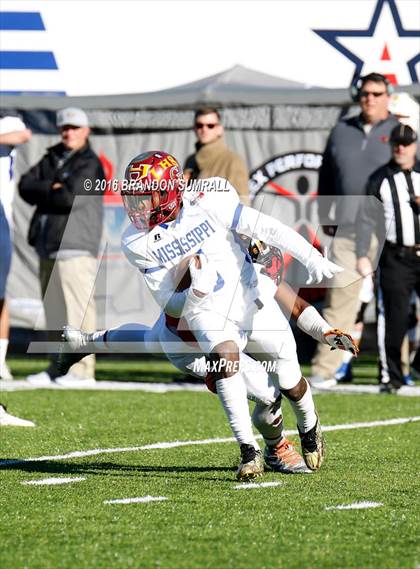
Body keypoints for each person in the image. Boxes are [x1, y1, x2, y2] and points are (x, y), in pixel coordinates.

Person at [99, 150, 343, 479]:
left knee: (289, 383)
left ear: (170, 192)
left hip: (246, 304)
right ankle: (250, 450)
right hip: (198, 315)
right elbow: (169, 303)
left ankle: (309, 425)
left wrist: (310, 258)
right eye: (135, 197)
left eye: (146, 196)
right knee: (228, 361)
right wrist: (196, 290)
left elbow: (265, 228)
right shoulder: (136, 240)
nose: (138, 206)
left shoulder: (213, 202)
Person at [57, 241, 357, 477]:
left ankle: (87, 341)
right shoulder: (212, 272)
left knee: (150, 339)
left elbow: (295, 305)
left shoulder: (252, 274)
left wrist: (325, 331)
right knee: (268, 395)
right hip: (189, 346)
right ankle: (273, 449)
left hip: (185, 335)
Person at [310, 72, 399, 387]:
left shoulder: (400, 130)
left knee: (393, 301)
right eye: (365, 94)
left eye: (377, 93)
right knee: (339, 300)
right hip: (348, 229)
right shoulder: (341, 131)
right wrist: (324, 211)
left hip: (389, 230)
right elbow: (326, 175)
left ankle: (396, 371)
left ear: (388, 97)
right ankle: (325, 370)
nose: (370, 99)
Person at [18, 107, 105, 386]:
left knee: (77, 312)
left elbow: (69, 197)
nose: (69, 132)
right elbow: (24, 185)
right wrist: (52, 186)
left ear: (86, 130)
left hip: (75, 244)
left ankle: (81, 371)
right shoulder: (52, 155)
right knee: (54, 312)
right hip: (48, 244)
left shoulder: (90, 162)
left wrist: (53, 189)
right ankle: (57, 368)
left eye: (75, 127)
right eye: (65, 128)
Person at [356, 124, 420, 392]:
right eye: (397, 143)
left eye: (406, 143)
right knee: (394, 316)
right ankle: (391, 376)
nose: (401, 147)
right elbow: (364, 221)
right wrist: (362, 255)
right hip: (396, 255)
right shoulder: (379, 178)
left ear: (414, 145)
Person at [0, 115, 32, 380]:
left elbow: (23, 135)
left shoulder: (8, 122)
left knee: (0, 295)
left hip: (2, 221)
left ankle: (0, 360)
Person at [184, 108, 250, 205]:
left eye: (210, 126)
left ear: (220, 129)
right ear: (194, 129)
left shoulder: (233, 161)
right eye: (199, 125)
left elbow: (243, 205)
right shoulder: (191, 161)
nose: (204, 129)